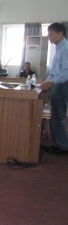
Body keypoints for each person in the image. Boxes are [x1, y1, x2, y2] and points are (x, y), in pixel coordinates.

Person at [39, 23, 68, 153]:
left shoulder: (65, 48)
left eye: (52, 34)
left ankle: (62, 146)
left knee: (57, 116)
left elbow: (66, 73)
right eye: (48, 34)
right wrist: (45, 83)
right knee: (55, 115)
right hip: (58, 84)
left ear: (61, 34)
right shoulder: (58, 49)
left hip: (62, 84)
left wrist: (51, 83)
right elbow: (53, 71)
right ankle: (59, 144)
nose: (49, 37)